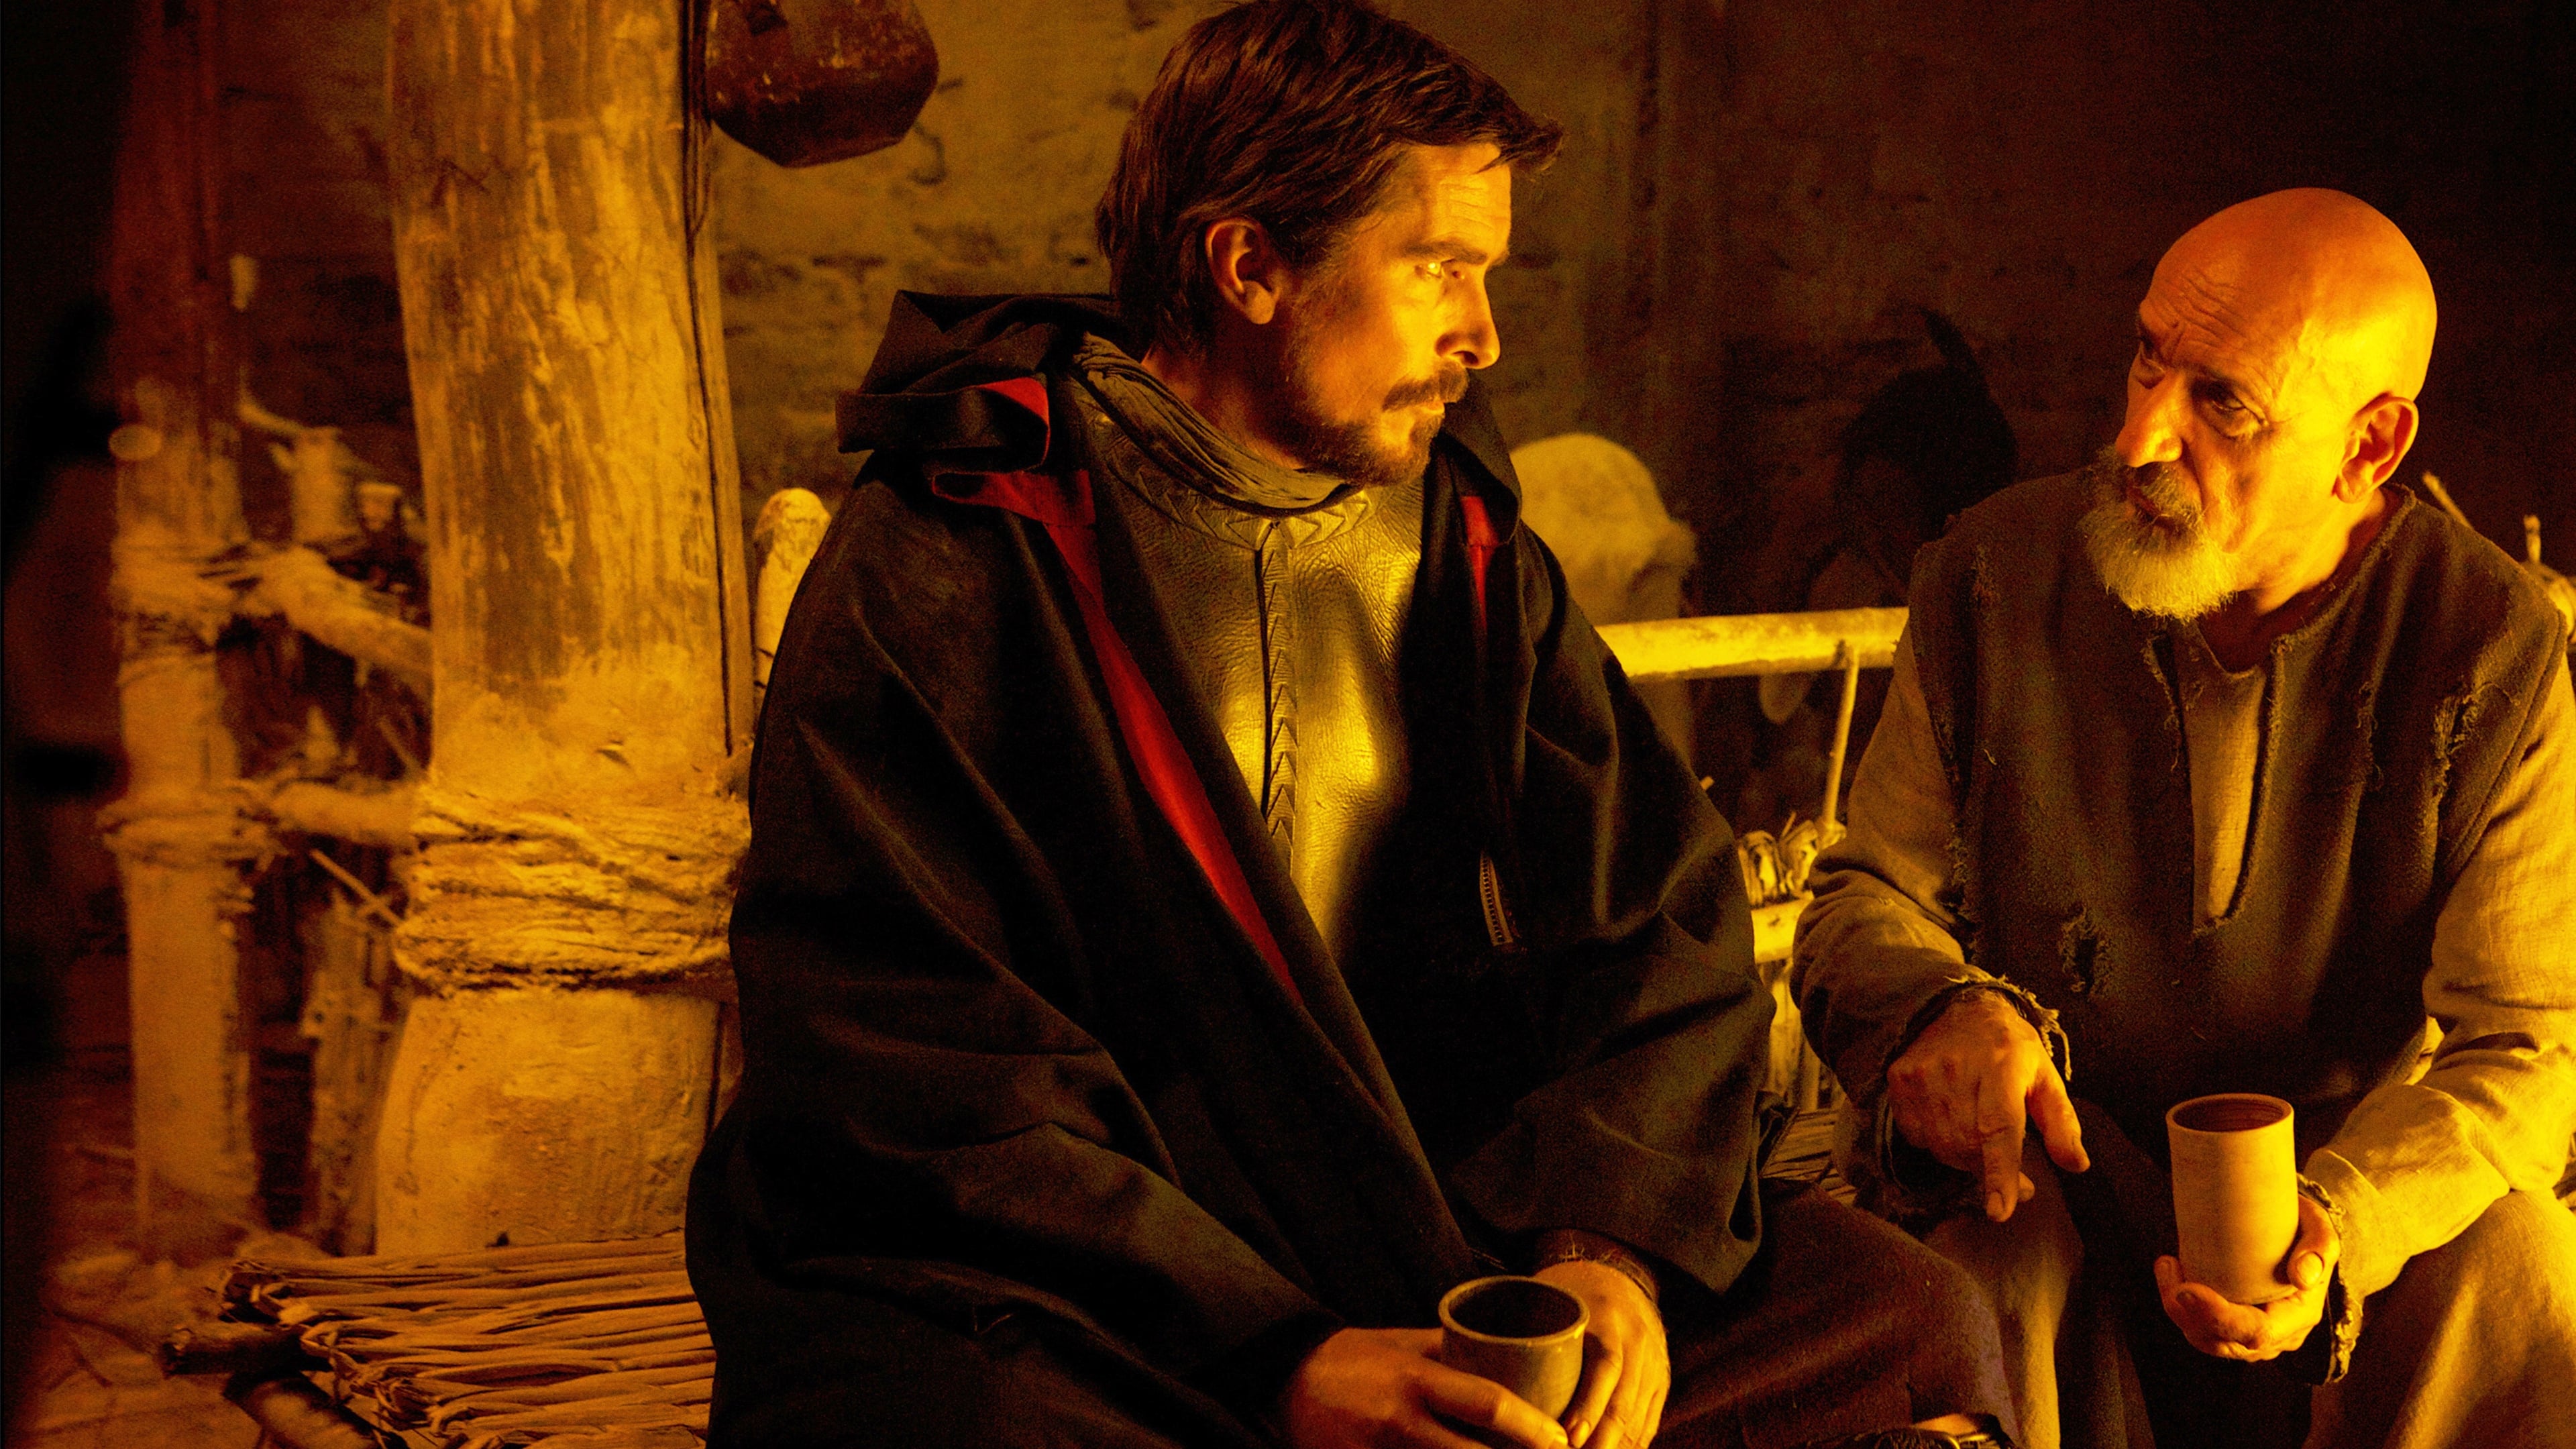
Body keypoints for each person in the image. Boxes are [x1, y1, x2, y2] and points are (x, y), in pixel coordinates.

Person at [686, 5, 2016, 1447]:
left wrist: (1608, 1249)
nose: (1482, 337)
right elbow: (912, 1057)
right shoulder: (962, 539)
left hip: (1413, 1221)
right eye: (1439, 269)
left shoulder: (1458, 547)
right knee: (978, 1417)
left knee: (1900, 1320)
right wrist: (1279, 1362)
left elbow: (1658, 918)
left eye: (1485, 276)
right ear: (1249, 266)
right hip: (1091, 1285)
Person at [1792, 188, 2576, 1449]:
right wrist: (1940, 1010)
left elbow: (2526, 1050)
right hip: (2059, 1168)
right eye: (2149, 359)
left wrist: (2341, 1223)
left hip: (2334, 1209)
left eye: (2224, 403)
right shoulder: (1995, 574)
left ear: (2369, 447)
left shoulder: (2488, 648)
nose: (2142, 435)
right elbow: (1865, 890)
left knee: (2522, 1262)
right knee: (1992, 1248)